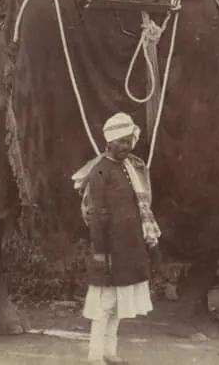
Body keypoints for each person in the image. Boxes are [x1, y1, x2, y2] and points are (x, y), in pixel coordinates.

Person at [71, 113, 161, 365]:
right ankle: (94, 356)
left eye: (129, 141)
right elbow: (97, 213)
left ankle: (110, 353)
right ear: (109, 142)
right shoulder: (101, 170)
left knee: (118, 306)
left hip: (128, 246)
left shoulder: (130, 167)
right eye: (121, 142)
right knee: (105, 305)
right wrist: (100, 251)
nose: (126, 146)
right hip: (110, 248)